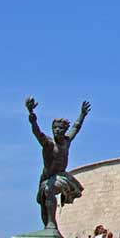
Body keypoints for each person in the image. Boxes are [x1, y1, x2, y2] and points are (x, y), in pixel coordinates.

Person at [25, 97, 91, 231]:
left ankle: (51, 224)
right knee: (43, 205)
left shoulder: (66, 141)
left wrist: (82, 115)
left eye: (60, 128)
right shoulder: (48, 144)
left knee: (49, 190)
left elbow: (76, 127)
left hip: (60, 176)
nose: (56, 130)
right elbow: (37, 133)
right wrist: (32, 117)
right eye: (54, 128)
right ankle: (49, 225)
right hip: (46, 177)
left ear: (64, 130)